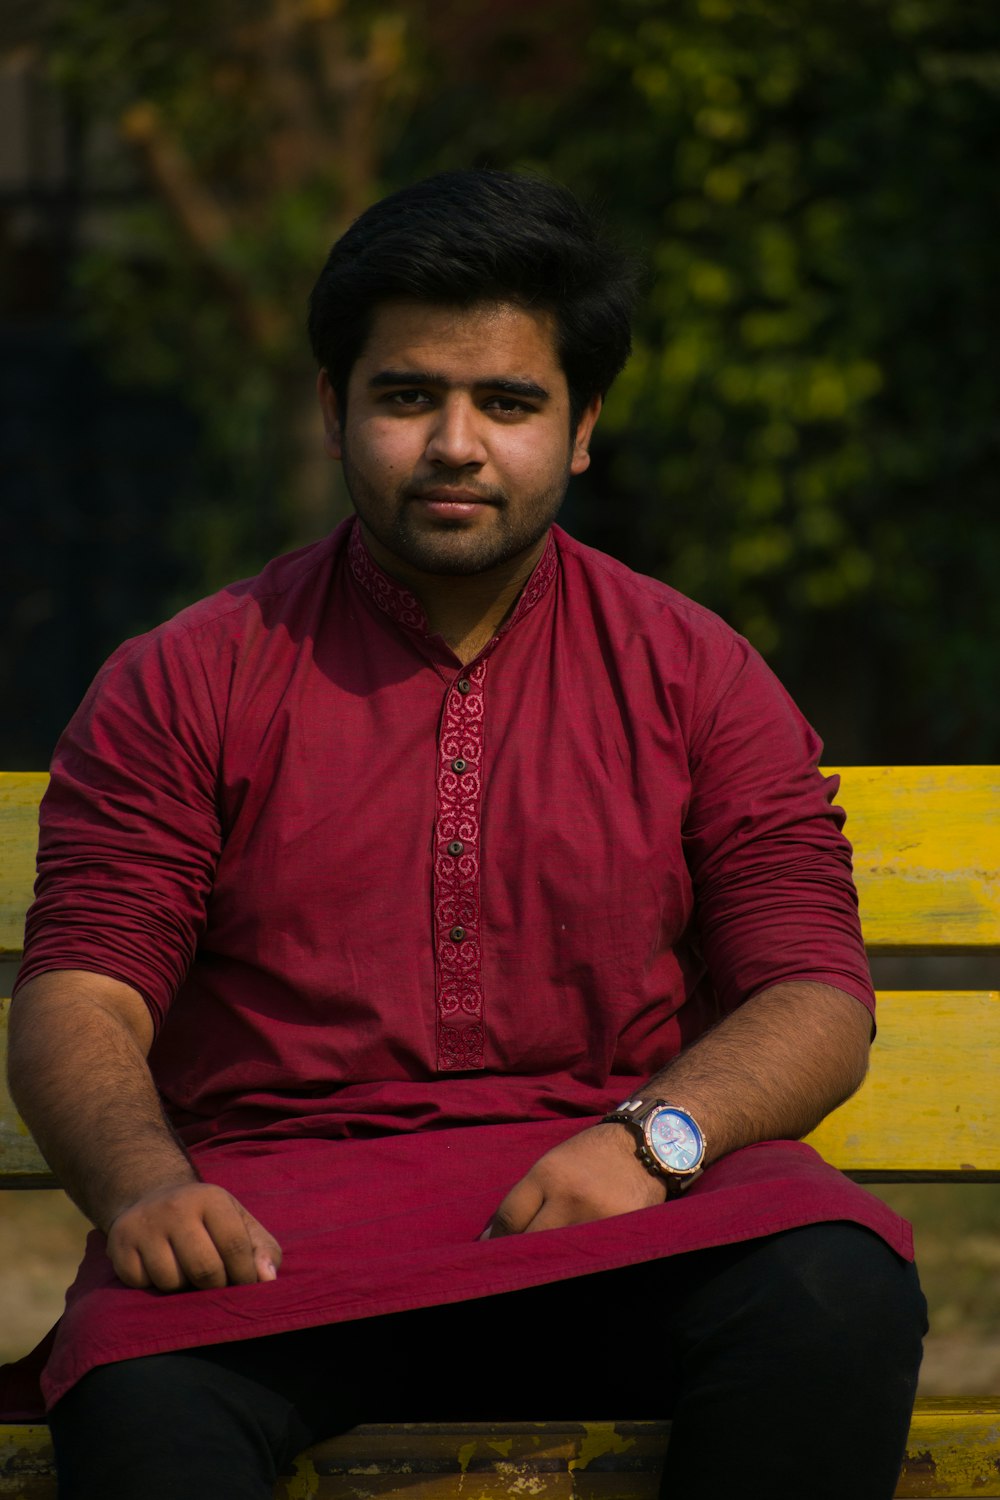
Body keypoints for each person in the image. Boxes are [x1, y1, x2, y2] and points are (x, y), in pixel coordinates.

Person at [6, 170, 925, 1499]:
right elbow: (83, 994)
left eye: (507, 402)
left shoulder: (695, 670)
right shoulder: (187, 677)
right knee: (145, 1401)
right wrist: (148, 1189)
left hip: (614, 1217)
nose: (455, 443)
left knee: (834, 1292)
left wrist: (651, 1141)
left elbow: (812, 991)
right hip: (279, 1244)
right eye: (405, 396)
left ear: (581, 427)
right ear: (334, 412)